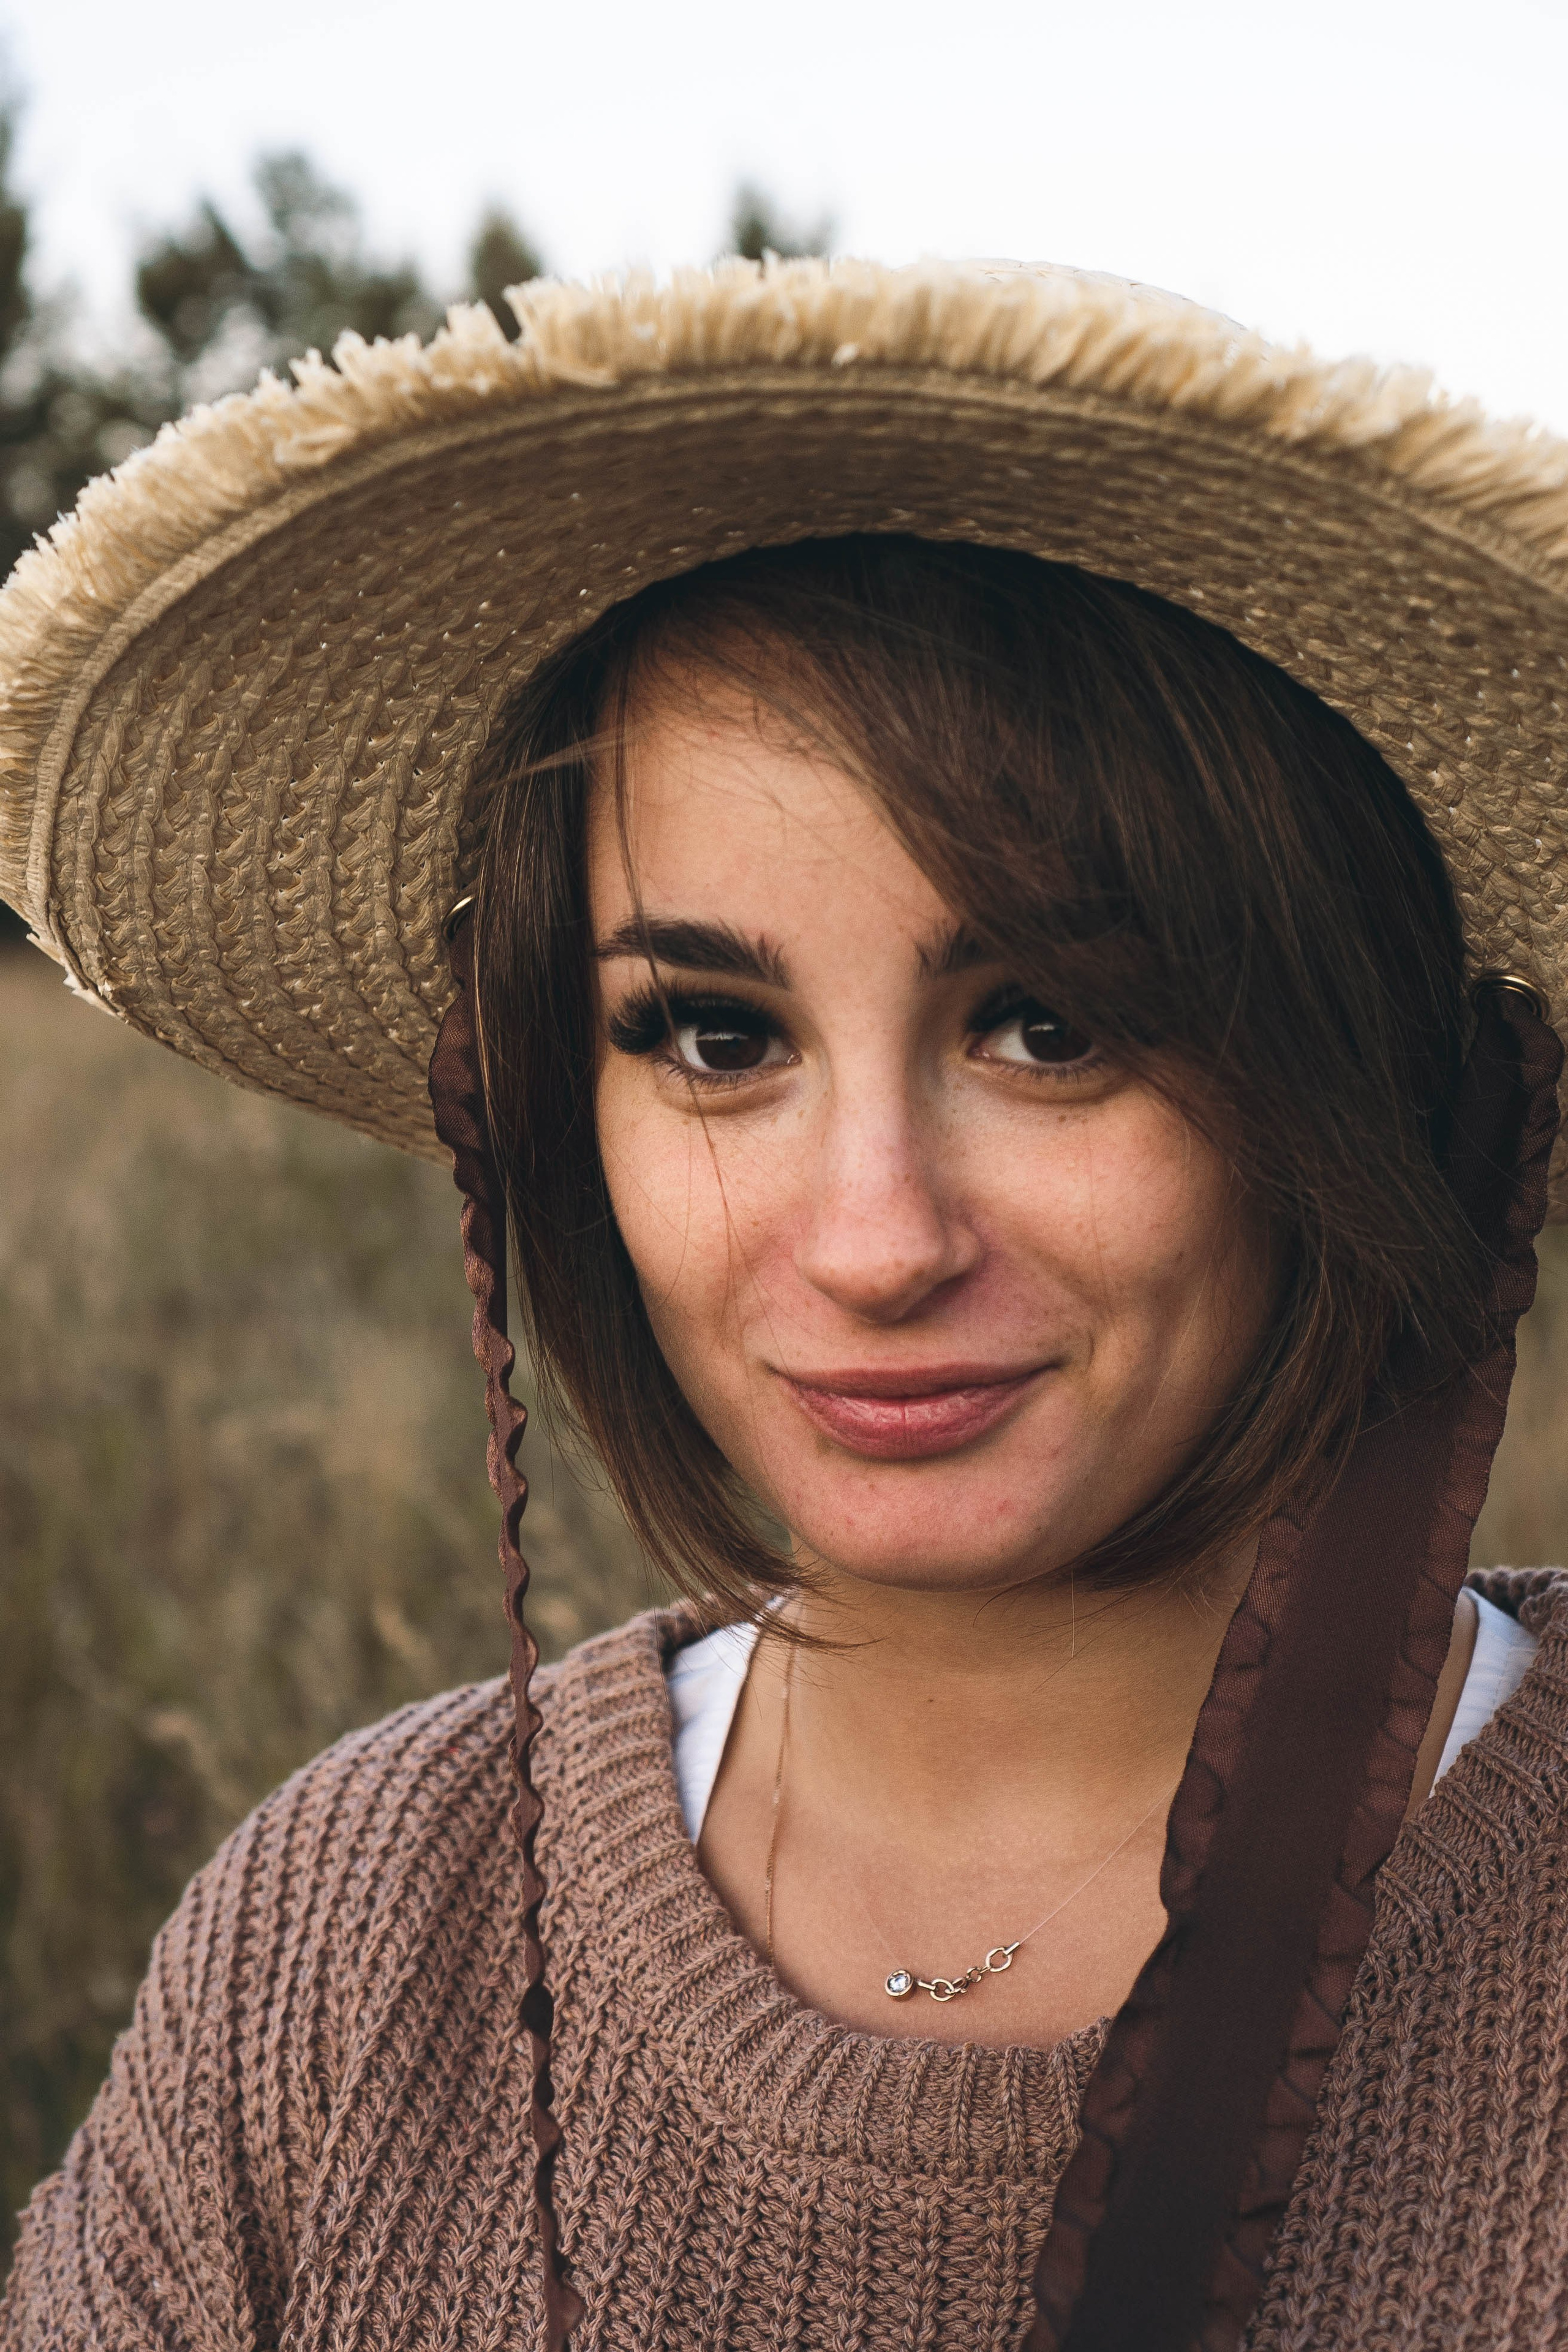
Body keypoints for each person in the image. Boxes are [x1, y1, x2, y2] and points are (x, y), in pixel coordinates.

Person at [0, 259, 1563, 2352]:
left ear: (1343, 1057)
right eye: (716, 1037)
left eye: (1048, 1021)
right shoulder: (344, 1946)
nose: (874, 1238)